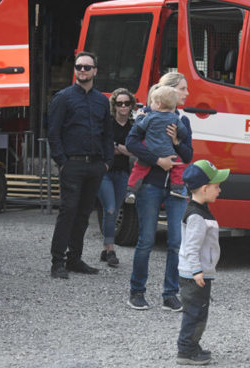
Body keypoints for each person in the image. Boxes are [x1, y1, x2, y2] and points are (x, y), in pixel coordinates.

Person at [126, 71, 193, 311]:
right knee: (146, 240)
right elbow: (132, 143)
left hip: (176, 188)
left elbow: (189, 155)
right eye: (183, 89)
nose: (186, 93)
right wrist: (158, 161)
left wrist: (176, 143)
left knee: (175, 241)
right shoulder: (147, 115)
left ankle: (170, 294)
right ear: (169, 91)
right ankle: (137, 291)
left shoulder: (182, 121)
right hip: (151, 185)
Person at [48, 51, 113, 279]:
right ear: (74, 70)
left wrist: (107, 162)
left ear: (95, 70)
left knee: (84, 213)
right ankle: (58, 262)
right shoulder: (63, 98)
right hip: (72, 165)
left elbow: (107, 133)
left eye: (87, 67)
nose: (82, 70)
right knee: (68, 212)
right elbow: (53, 132)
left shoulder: (102, 100)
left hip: (95, 166)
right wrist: (62, 162)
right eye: (78, 67)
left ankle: (75, 259)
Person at [175, 160, 229, 366]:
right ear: (204, 188)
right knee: (195, 313)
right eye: (216, 187)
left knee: (199, 312)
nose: (220, 190)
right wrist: (197, 270)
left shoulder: (200, 210)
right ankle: (186, 350)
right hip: (194, 275)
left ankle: (192, 345)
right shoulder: (197, 216)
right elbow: (191, 246)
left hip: (199, 273)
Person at [127, 85, 189, 199]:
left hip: (149, 147)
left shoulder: (150, 116)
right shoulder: (175, 119)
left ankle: (131, 190)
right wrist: (176, 137)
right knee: (179, 165)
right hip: (167, 150)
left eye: (153, 102)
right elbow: (184, 133)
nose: (150, 105)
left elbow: (140, 128)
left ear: (159, 104)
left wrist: (139, 118)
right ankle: (178, 189)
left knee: (139, 168)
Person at [98, 87, 136, 267]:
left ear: (131, 106)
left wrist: (117, 147)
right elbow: (104, 148)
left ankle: (105, 249)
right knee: (111, 209)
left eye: (126, 103)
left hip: (122, 173)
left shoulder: (134, 127)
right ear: (114, 105)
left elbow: (135, 151)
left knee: (113, 210)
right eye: (119, 103)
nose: (123, 106)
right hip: (105, 171)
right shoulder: (108, 124)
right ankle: (111, 249)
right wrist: (124, 149)